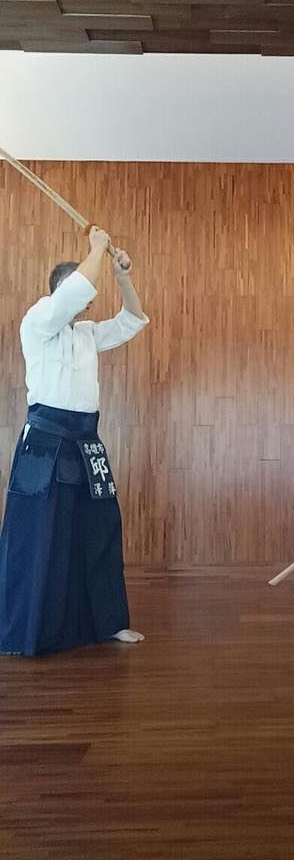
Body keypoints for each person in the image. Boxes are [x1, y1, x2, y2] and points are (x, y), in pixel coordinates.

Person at [0, 226, 148, 656]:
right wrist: (97, 248)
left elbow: (131, 320)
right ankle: (24, 628)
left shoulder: (86, 335)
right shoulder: (37, 321)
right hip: (44, 442)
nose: (87, 301)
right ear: (60, 291)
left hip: (86, 443)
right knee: (39, 532)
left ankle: (108, 622)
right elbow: (72, 292)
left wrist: (122, 277)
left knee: (98, 530)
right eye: (80, 293)